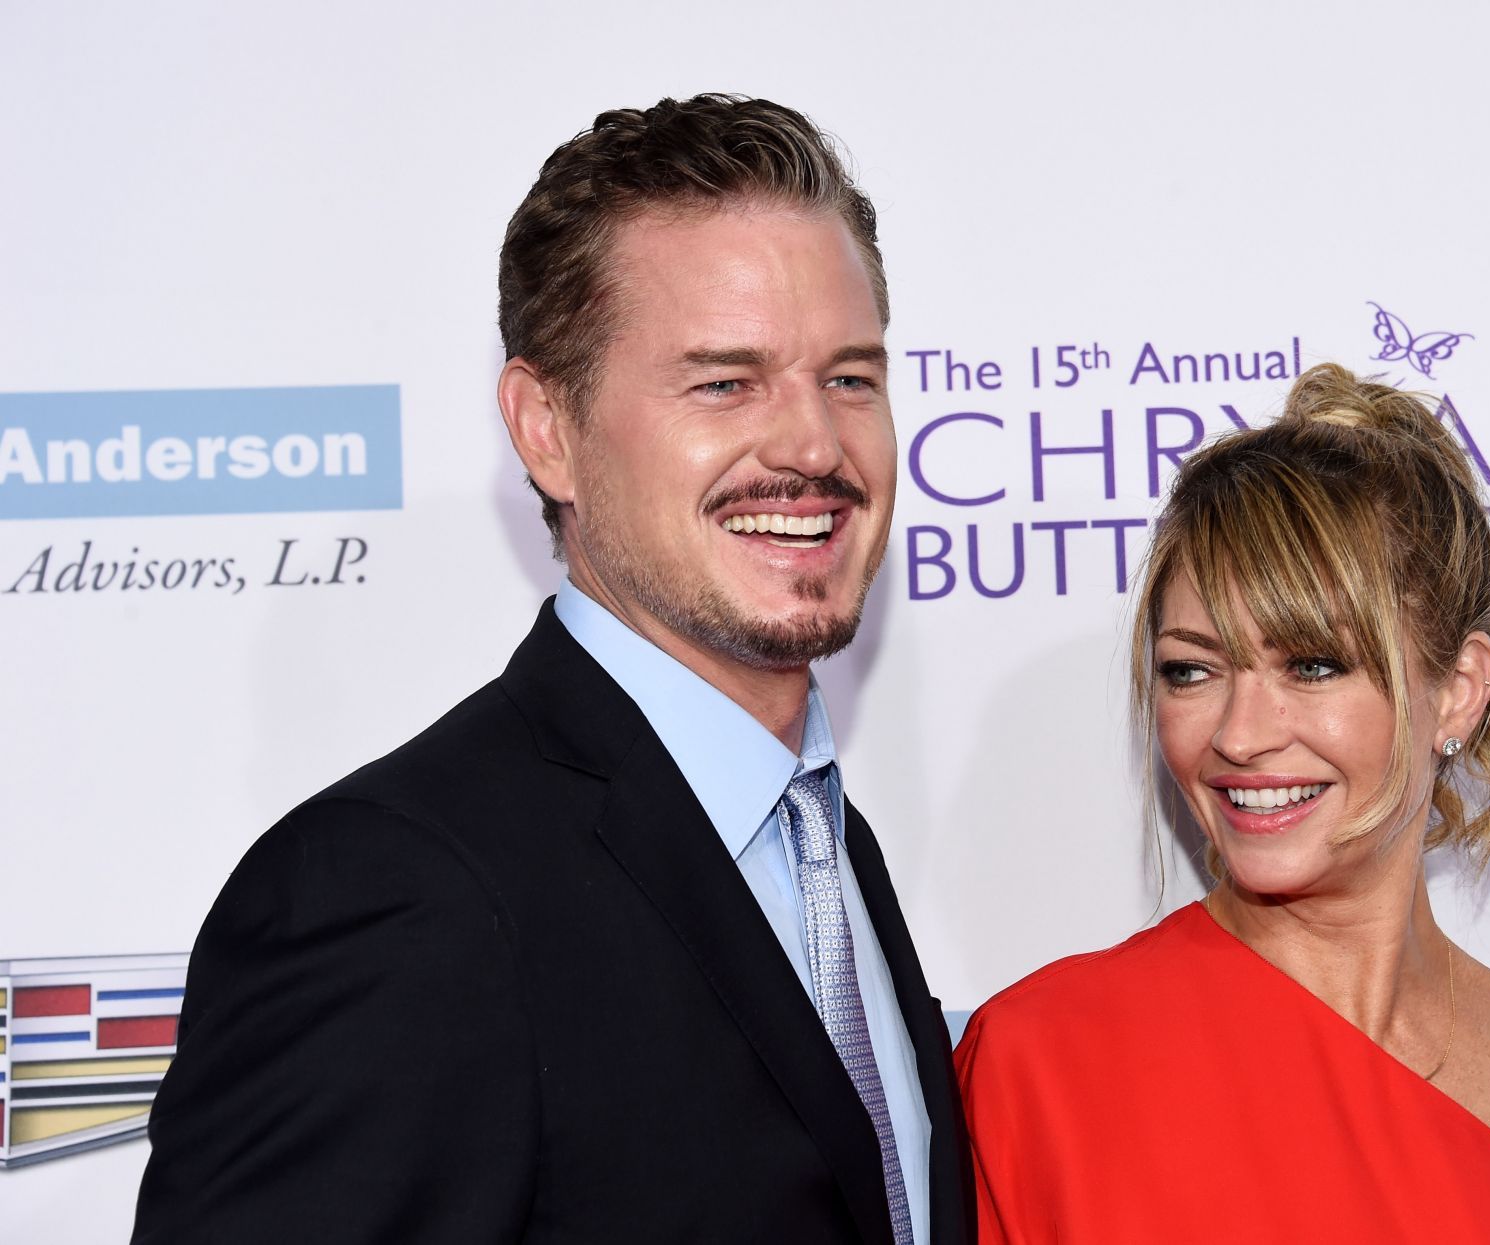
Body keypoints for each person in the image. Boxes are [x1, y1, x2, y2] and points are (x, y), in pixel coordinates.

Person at [134, 96, 970, 1244]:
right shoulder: (397, 890)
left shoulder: (822, 841)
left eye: (850, 379)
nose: (814, 447)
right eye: (724, 382)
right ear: (546, 429)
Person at [956, 364, 1490, 1244]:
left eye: (1312, 664)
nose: (1240, 733)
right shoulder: (1040, 1063)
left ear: (1458, 688)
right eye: (1192, 670)